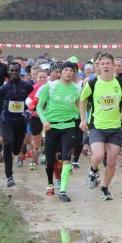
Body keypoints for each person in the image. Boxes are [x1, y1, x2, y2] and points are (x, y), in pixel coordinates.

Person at [79, 53, 122, 201]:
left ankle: (105, 188)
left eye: (108, 63)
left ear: (113, 66)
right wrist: (83, 120)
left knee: (112, 161)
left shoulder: (121, 83)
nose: (105, 66)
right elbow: (82, 100)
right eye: (102, 64)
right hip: (97, 126)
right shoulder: (92, 83)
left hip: (115, 127)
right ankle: (93, 170)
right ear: (98, 66)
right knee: (99, 155)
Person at [36, 61, 81, 202]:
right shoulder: (49, 86)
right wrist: (44, 121)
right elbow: (39, 106)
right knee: (50, 161)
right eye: (66, 70)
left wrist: (83, 120)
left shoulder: (77, 89)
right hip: (52, 127)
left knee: (66, 158)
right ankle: (50, 183)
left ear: (74, 74)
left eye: (71, 70)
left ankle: (63, 191)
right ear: (61, 72)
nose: (68, 72)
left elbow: (82, 106)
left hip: (69, 126)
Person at [0, 62, 34, 187]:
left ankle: (17, 150)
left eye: (16, 70)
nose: (14, 73)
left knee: (16, 149)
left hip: (21, 122)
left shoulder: (27, 86)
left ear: (19, 71)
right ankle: (9, 176)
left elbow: (33, 101)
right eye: (11, 70)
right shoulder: (3, 89)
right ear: (8, 72)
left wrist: (29, 111)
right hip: (7, 121)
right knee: (7, 143)